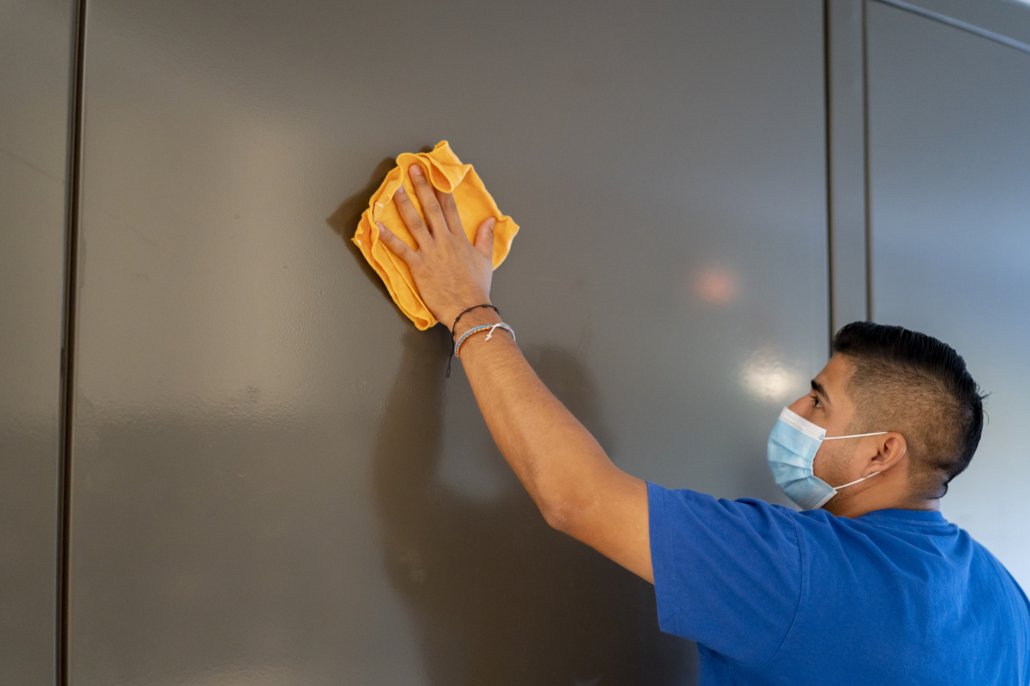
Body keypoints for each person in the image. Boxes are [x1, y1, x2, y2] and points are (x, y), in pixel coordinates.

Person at [373, 161, 1030, 685]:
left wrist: (466, 307)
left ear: (882, 452)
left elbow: (575, 495)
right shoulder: (1004, 596)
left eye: (819, 402)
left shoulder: (797, 568)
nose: (794, 413)